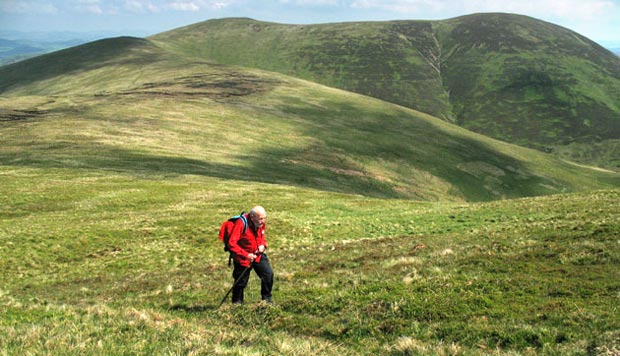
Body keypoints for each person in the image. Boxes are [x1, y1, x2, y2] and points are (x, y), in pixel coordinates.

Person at [227, 205, 274, 304]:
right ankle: (237, 304)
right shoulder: (241, 224)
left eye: (264, 218)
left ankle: (266, 300)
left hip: (258, 255)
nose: (263, 221)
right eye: (260, 218)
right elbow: (231, 244)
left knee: (268, 275)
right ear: (252, 217)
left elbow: (262, 236)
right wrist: (246, 255)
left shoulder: (260, 223)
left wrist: (263, 245)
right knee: (241, 282)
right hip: (243, 258)